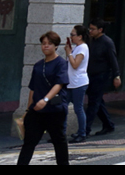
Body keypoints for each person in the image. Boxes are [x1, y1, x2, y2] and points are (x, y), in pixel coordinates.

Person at [17, 31, 70, 166]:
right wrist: (28, 109)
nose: (46, 46)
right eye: (43, 43)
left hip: (54, 109)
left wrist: (45, 100)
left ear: (56, 46)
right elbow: (33, 89)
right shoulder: (38, 65)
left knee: (58, 141)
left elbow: (59, 84)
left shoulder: (61, 63)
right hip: (37, 111)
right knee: (29, 142)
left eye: (50, 44)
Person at [85, 18, 121, 137]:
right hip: (91, 74)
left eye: (93, 29)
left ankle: (85, 129)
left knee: (93, 102)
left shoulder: (107, 42)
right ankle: (108, 124)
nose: (90, 31)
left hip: (101, 75)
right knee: (97, 101)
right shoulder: (91, 40)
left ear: (100, 30)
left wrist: (116, 75)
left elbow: (113, 59)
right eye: (90, 28)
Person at [63, 25, 90, 144]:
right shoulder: (77, 48)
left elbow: (75, 65)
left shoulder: (83, 48)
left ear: (80, 36)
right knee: (63, 106)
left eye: (73, 35)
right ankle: (61, 132)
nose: (71, 37)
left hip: (79, 82)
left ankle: (82, 133)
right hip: (71, 82)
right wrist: (69, 52)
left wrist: (69, 53)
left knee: (78, 108)